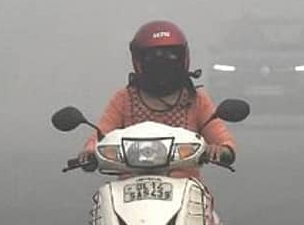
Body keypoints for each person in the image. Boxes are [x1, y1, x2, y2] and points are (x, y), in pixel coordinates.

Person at [82, 20, 237, 176]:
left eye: (169, 57)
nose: (162, 66)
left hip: (186, 189)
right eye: (153, 58)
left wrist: (221, 150)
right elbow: (101, 135)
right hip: (128, 189)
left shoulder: (195, 100)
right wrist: (89, 152)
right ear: (139, 61)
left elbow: (223, 140)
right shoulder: (124, 99)